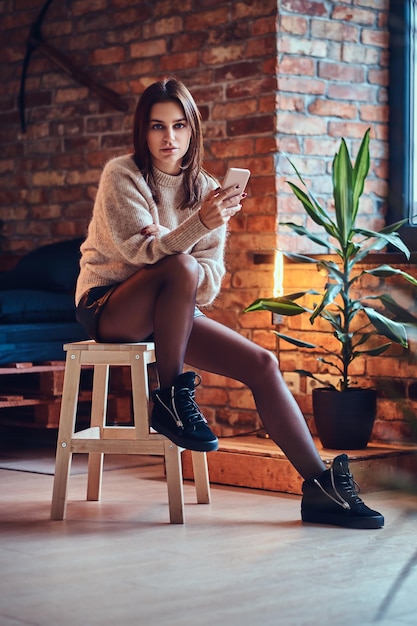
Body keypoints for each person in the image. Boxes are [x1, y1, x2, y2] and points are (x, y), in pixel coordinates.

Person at [75, 77, 384, 530]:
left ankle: (321, 488)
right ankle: (170, 396)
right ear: (142, 131)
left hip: (171, 309)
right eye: (157, 127)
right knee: (180, 267)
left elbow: (207, 283)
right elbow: (142, 254)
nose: (169, 138)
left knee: (261, 363)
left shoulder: (207, 189)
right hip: (109, 304)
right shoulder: (123, 175)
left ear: (192, 130)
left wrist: (187, 236)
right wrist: (193, 231)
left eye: (179, 126)